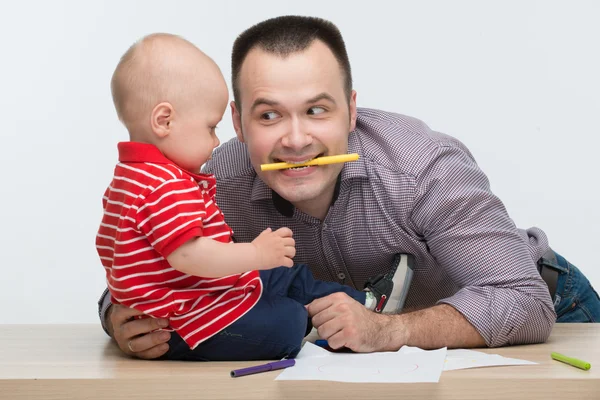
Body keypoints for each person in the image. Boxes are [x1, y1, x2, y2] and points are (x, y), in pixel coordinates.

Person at [98, 17, 600, 359]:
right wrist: (119, 318)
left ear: (352, 108)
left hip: (550, 313)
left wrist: (390, 330)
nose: (296, 140)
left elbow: (522, 299)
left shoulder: (420, 165)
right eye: (269, 115)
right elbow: (145, 262)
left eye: (317, 110)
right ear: (236, 120)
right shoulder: (213, 178)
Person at [97, 32, 409, 361]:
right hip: (189, 320)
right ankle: (328, 317)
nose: (216, 142)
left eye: (315, 110)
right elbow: (188, 257)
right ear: (164, 121)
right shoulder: (164, 184)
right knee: (288, 320)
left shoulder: (130, 179)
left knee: (287, 277)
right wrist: (255, 254)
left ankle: (369, 304)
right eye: (210, 128)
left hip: (202, 295)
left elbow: (118, 255)